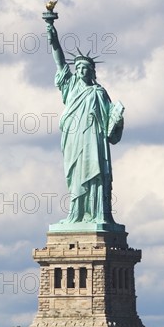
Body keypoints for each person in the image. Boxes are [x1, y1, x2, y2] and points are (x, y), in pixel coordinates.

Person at [46, 22, 124, 224]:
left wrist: (117, 120)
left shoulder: (99, 92)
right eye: (78, 67)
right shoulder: (70, 85)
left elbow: (110, 121)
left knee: (96, 175)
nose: (80, 71)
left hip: (94, 140)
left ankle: (99, 214)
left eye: (85, 68)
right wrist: (53, 37)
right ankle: (76, 214)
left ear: (92, 71)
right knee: (75, 176)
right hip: (73, 138)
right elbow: (60, 61)